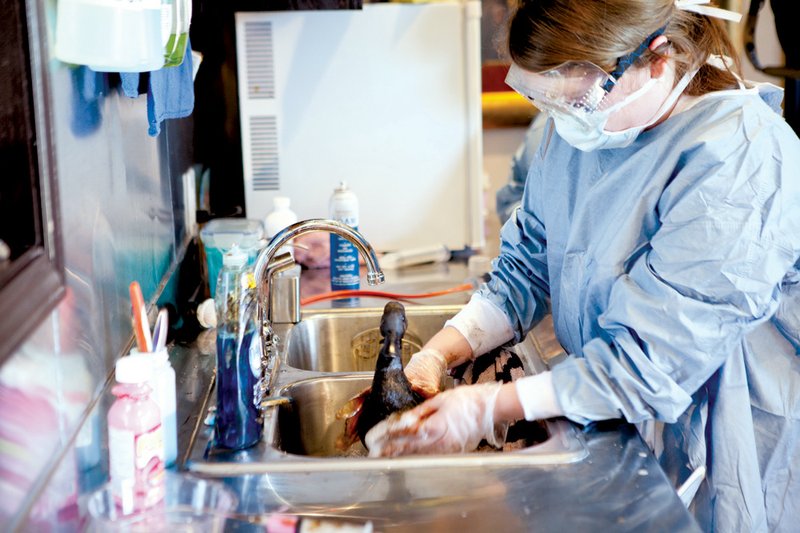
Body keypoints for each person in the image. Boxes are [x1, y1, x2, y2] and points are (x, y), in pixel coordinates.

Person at [365, 1, 800, 531]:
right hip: (611, 411)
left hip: (726, 434)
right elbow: (528, 265)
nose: (566, 118)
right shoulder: (584, 125)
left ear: (658, 57)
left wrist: (488, 407)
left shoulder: (741, 157)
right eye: (547, 99)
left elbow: (652, 360)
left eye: (581, 100)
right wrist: (440, 353)